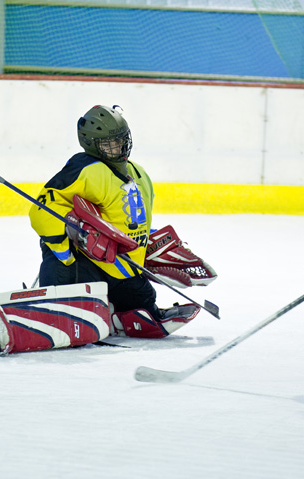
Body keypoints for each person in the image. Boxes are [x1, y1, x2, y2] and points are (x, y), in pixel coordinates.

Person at [29, 104, 213, 338]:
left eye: (121, 140)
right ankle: (59, 306)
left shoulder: (140, 174)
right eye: (109, 144)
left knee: (144, 305)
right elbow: (42, 210)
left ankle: (112, 312)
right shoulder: (84, 169)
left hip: (123, 266)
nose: (118, 148)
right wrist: (66, 249)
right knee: (63, 271)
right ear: (91, 144)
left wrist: (152, 246)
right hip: (86, 264)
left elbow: (134, 223)